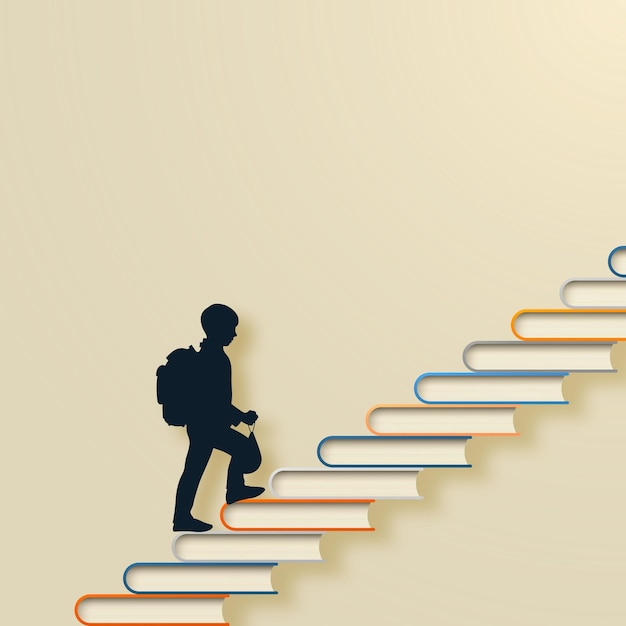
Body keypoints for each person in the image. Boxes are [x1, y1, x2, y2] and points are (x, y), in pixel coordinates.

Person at [172, 304, 264, 532]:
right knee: (244, 452)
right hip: (208, 425)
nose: (234, 334)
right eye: (231, 328)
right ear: (217, 328)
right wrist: (241, 416)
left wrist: (237, 416)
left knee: (194, 470)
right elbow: (216, 400)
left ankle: (184, 515)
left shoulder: (211, 354)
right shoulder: (215, 358)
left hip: (202, 424)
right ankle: (233, 491)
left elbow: (215, 400)